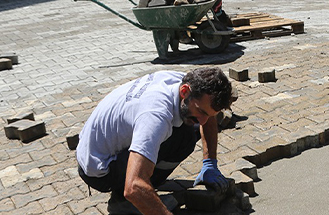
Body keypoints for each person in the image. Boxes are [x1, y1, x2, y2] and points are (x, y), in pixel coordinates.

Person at [76, 67, 235, 214]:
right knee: (184, 139)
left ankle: (146, 189)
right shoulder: (156, 116)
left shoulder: (184, 84)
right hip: (100, 169)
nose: (203, 121)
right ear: (185, 91)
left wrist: (210, 163)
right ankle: (124, 203)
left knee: (190, 126)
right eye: (200, 111)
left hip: (100, 146)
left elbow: (208, 113)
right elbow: (134, 187)